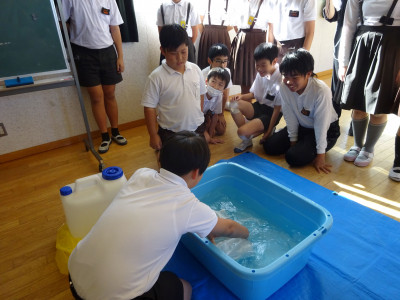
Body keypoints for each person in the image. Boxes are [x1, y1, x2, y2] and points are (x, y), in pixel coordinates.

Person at [67, 131, 250, 300]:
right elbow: (230, 228)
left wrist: (205, 225)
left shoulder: (142, 174)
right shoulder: (187, 205)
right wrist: (247, 233)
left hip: (75, 274)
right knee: (185, 288)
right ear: (196, 173)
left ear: (160, 161)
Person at [338, 0, 400, 167]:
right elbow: (348, 26)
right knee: (357, 104)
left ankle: (369, 148)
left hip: (390, 51)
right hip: (361, 48)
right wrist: (343, 62)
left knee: (377, 106)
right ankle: (357, 145)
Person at [62, 0, 127, 154]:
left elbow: (115, 28)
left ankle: (115, 132)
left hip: (107, 52)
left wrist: (120, 57)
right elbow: (62, 23)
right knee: (96, 97)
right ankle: (105, 136)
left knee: (110, 94)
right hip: (83, 53)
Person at [263, 49, 340, 174]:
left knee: (293, 158)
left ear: (308, 74)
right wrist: (293, 141)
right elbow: (289, 115)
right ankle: (302, 144)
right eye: (285, 76)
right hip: (302, 126)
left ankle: (310, 146)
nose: (289, 82)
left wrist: (321, 156)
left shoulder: (320, 91)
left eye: (294, 77)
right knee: (269, 147)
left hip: (326, 130)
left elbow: (321, 125)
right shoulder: (284, 87)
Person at [141, 24, 206, 150]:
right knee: (172, 164)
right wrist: (153, 135)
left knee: (197, 160)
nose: (180, 58)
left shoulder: (195, 69)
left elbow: (201, 95)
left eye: (183, 52)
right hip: (170, 132)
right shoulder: (156, 77)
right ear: (163, 51)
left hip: (196, 127)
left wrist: (199, 116)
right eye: (173, 53)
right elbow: (149, 108)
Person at [229, 42, 283, 153]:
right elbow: (253, 94)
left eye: (263, 65)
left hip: (271, 113)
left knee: (241, 132)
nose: (259, 68)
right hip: (259, 106)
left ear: (274, 62)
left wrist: (267, 133)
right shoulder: (261, 73)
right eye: (257, 65)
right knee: (233, 104)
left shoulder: (280, 78)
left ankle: (263, 129)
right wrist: (241, 97)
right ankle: (248, 138)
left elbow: (277, 109)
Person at [230, 0, 270, 94]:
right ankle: (245, 102)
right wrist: (243, 36)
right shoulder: (238, 3)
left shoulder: (266, 2)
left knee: (259, 76)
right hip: (242, 39)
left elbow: (271, 26)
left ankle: (258, 104)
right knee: (244, 78)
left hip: (259, 40)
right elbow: (235, 25)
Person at [202, 43, 233, 134]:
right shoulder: (203, 74)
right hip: (202, 108)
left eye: (225, 61)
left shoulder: (227, 71)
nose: (222, 65)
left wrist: (221, 114)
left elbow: (225, 95)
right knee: (204, 130)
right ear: (210, 61)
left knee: (221, 130)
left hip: (214, 108)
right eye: (218, 61)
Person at [197, 0, 234, 70]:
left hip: (223, 35)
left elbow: (231, 24)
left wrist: (221, 31)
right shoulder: (204, 2)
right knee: (206, 63)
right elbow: (199, 22)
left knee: (223, 62)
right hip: (207, 35)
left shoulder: (230, 2)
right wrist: (206, 34)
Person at [203, 67, 231, 143]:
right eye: (213, 81)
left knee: (221, 130)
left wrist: (211, 134)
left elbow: (215, 115)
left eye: (220, 84)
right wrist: (207, 136)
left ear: (224, 89)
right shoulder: (201, 93)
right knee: (205, 139)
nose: (215, 86)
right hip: (196, 118)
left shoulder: (219, 96)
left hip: (207, 115)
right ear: (206, 81)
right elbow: (196, 117)